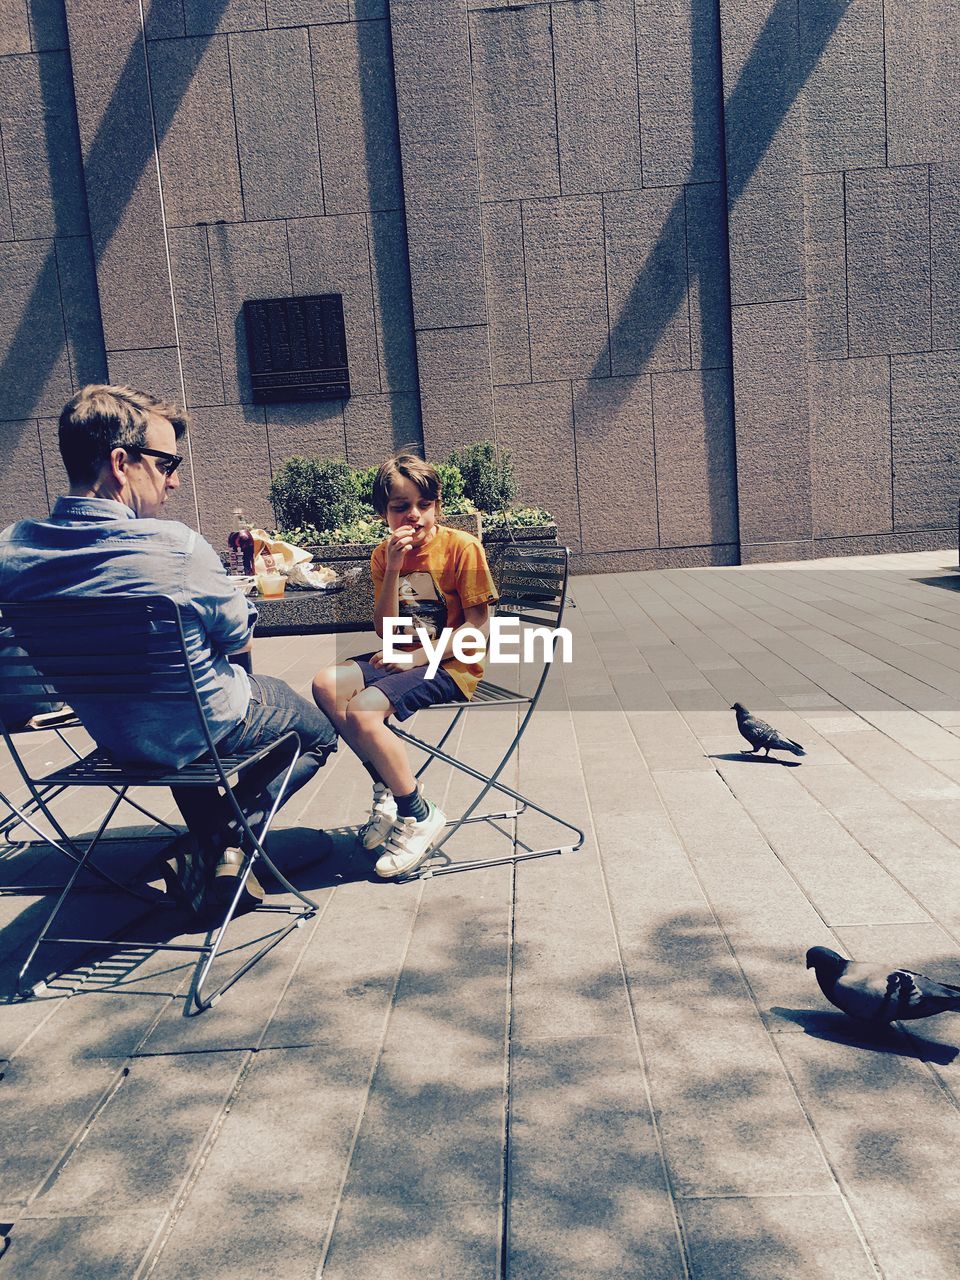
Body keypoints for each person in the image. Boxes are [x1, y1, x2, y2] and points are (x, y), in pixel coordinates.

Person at [0, 384, 337, 912]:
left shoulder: (11, 551)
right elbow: (235, 637)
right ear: (120, 463)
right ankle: (222, 844)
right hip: (202, 726)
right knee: (315, 731)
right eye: (166, 462)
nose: (175, 479)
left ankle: (214, 847)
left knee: (178, 716)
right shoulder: (175, 547)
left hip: (114, 737)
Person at [312, 452, 498, 879]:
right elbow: (385, 629)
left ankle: (416, 812)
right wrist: (394, 568)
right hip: (402, 656)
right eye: (400, 507)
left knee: (363, 710)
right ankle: (386, 784)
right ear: (384, 513)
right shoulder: (384, 555)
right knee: (326, 684)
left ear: (437, 505)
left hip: (453, 663)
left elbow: (480, 629)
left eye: (424, 504)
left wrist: (418, 656)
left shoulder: (461, 547)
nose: (414, 515)